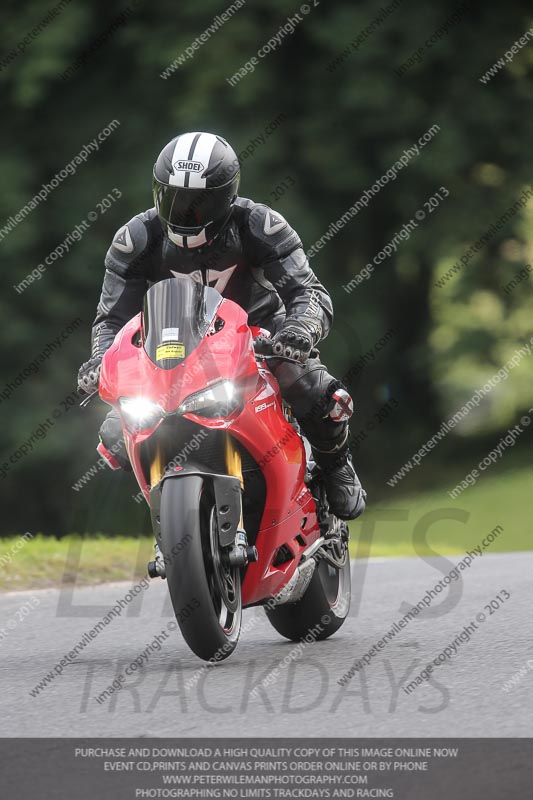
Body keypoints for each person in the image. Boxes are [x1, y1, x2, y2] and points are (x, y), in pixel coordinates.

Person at [78, 132, 366, 520]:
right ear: (156, 191)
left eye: (200, 202)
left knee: (310, 388)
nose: (185, 212)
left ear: (227, 195)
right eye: (174, 198)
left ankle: (335, 465)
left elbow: (308, 291)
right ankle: (173, 511)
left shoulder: (260, 224)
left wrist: (299, 330)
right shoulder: (136, 239)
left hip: (260, 336)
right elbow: (112, 318)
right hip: (173, 349)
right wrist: (100, 360)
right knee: (116, 431)